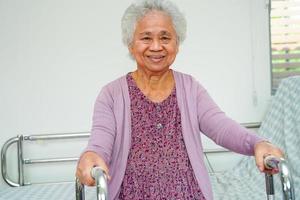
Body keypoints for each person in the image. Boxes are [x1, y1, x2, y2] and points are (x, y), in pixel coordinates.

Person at [76, 0, 284, 199]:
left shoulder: (190, 88)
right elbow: (101, 139)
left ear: (177, 43)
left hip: (189, 193)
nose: (156, 46)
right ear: (131, 45)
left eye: (165, 38)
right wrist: (91, 154)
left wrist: (258, 143)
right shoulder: (111, 94)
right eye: (146, 38)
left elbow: (221, 127)